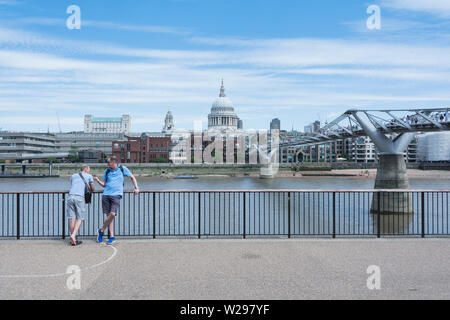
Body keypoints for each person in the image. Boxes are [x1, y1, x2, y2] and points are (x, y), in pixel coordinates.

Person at [94, 156, 139, 245]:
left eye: (108, 162)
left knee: (112, 214)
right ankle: (111, 237)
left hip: (116, 195)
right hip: (106, 195)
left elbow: (132, 177)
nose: (107, 163)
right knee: (109, 217)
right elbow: (104, 185)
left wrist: (136, 188)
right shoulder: (107, 171)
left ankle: (101, 230)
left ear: (114, 162)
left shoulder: (122, 169)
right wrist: (98, 181)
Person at [67, 164, 94, 246]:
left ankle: (73, 240)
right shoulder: (89, 176)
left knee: (72, 218)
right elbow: (92, 188)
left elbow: (72, 185)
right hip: (79, 197)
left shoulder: (73, 175)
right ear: (86, 169)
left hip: (70, 196)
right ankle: (73, 235)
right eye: (89, 169)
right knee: (80, 218)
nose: (89, 171)